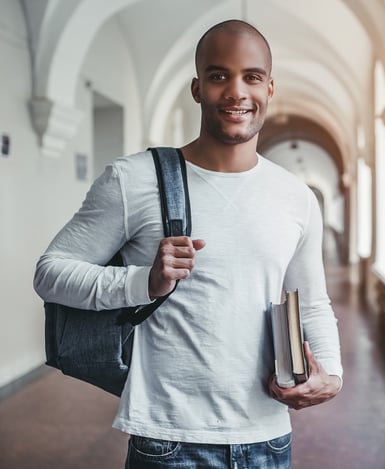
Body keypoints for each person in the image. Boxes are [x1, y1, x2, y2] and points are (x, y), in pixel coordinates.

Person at [34, 19, 342, 469]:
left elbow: (311, 302)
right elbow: (51, 272)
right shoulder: (135, 179)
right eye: (219, 76)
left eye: (251, 77)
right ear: (197, 88)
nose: (237, 92)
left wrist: (331, 374)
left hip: (268, 438)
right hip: (168, 439)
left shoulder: (296, 197)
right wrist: (145, 282)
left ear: (270, 87)